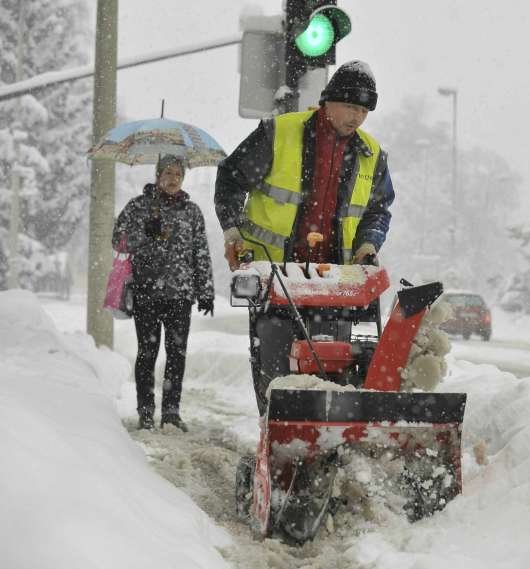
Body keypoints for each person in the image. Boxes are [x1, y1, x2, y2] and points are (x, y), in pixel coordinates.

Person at [214, 60, 394, 415]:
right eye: (349, 107)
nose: (356, 117)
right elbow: (231, 180)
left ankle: (351, 424)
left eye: (363, 110)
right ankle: (277, 430)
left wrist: (368, 244)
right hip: (277, 277)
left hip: (341, 282)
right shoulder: (278, 133)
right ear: (328, 101)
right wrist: (233, 231)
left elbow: (379, 209)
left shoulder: (372, 154)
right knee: (276, 365)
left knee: (355, 356)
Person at [113, 154, 215, 431]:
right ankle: (146, 412)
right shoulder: (138, 207)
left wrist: (206, 291)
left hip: (180, 295)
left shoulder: (191, 211)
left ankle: (171, 412)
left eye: (178, 175)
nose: (172, 179)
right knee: (147, 352)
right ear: (158, 175)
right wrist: (144, 232)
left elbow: (200, 253)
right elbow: (118, 241)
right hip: (146, 292)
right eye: (168, 173)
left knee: (176, 353)